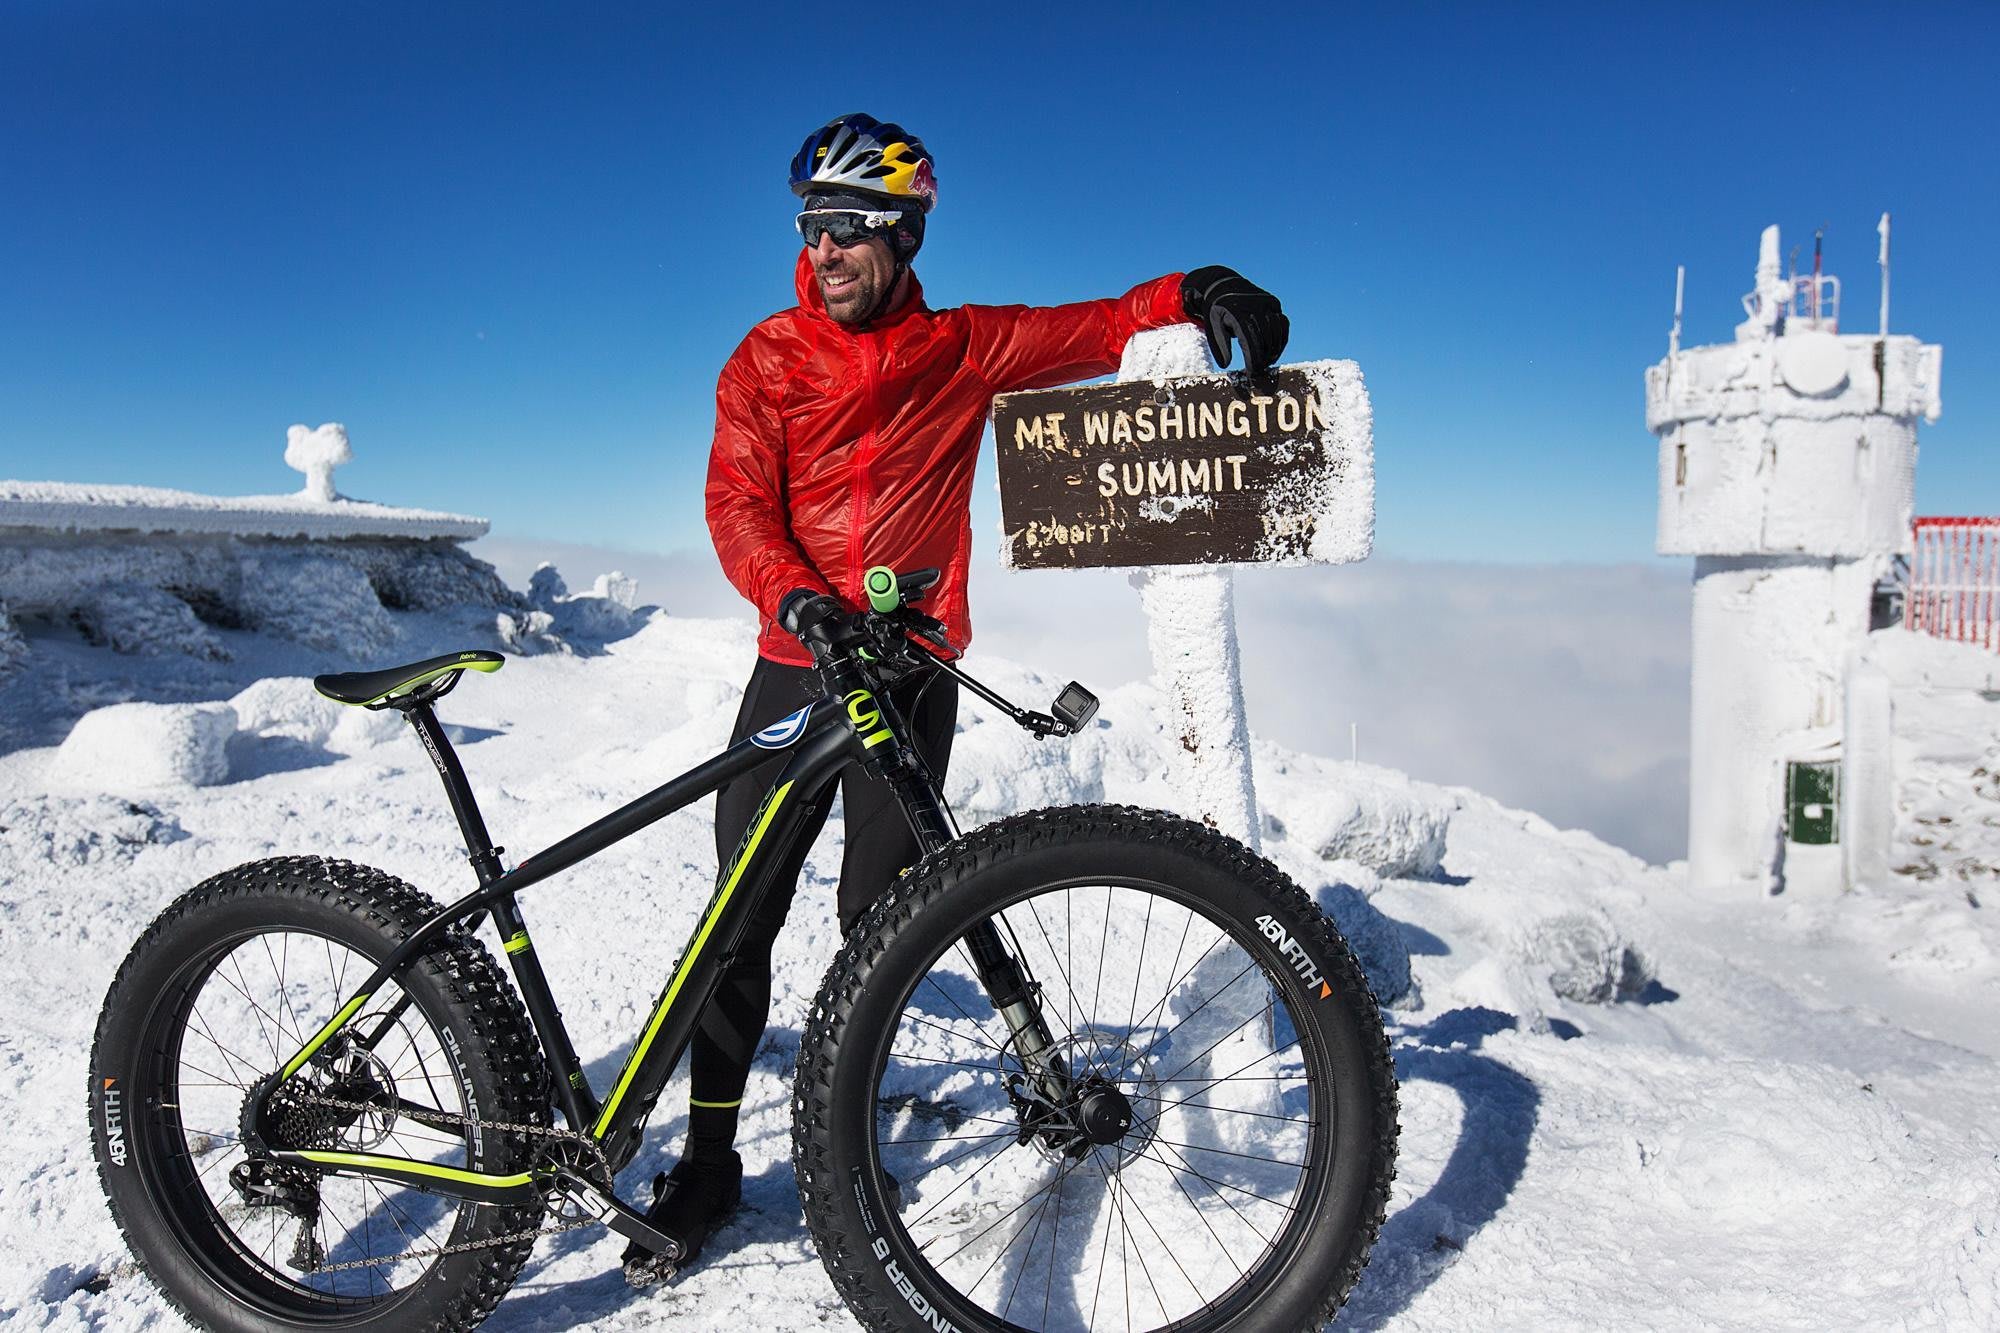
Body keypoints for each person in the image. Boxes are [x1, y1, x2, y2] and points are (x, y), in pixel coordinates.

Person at [625, 111, 1290, 1280]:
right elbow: (737, 507)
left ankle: (840, 1132)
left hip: (910, 675)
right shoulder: (766, 357)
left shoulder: (966, 348)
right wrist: (797, 598)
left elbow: (1092, 323)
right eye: (810, 227)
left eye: (848, 228)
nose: (823, 249)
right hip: (797, 664)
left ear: (903, 232)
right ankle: (710, 1159)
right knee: (739, 919)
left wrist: (1196, 286)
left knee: (879, 921)